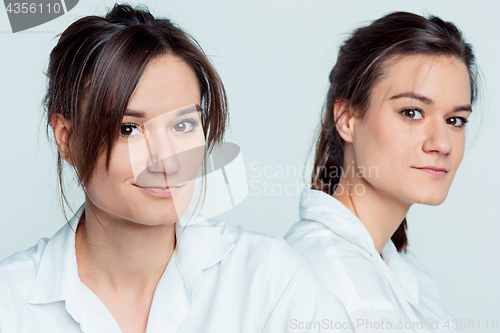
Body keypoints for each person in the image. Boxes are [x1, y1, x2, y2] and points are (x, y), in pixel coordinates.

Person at [0, 4, 351, 333]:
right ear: (66, 138)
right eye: (128, 128)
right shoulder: (11, 302)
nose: (167, 161)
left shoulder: (267, 280)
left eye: (183, 126)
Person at [285, 11, 477, 333]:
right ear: (347, 119)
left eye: (454, 120)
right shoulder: (326, 277)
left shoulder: (405, 271)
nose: (442, 144)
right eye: (412, 112)